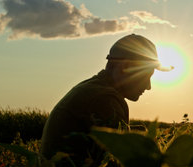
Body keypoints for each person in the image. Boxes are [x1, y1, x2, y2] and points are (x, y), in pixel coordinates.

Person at [40, 34, 170, 160]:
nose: (148, 86)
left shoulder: (92, 89)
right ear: (125, 67)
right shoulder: (105, 99)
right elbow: (120, 163)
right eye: (146, 76)